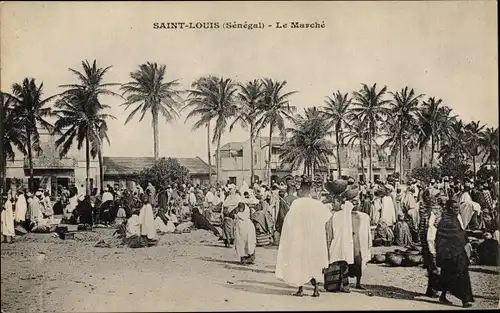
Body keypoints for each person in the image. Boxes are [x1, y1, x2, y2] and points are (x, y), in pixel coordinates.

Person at [275, 178, 332, 297]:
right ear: (311, 190)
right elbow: (327, 218)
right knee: (315, 262)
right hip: (315, 239)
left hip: (301, 238)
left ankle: (300, 289)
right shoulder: (317, 204)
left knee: (301, 262)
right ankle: (316, 289)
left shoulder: (297, 203)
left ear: (301, 190)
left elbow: (288, 222)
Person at [435, 198, 474, 308]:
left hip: (457, 251)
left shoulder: (454, 218)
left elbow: (460, 233)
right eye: (455, 208)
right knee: (458, 275)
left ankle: (443, 296)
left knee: (449, 274)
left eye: (458, 207)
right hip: (449, 253)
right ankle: (464, 300)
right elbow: (441, 238)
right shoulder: (445, 221)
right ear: (450, 208)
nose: (458, 210)